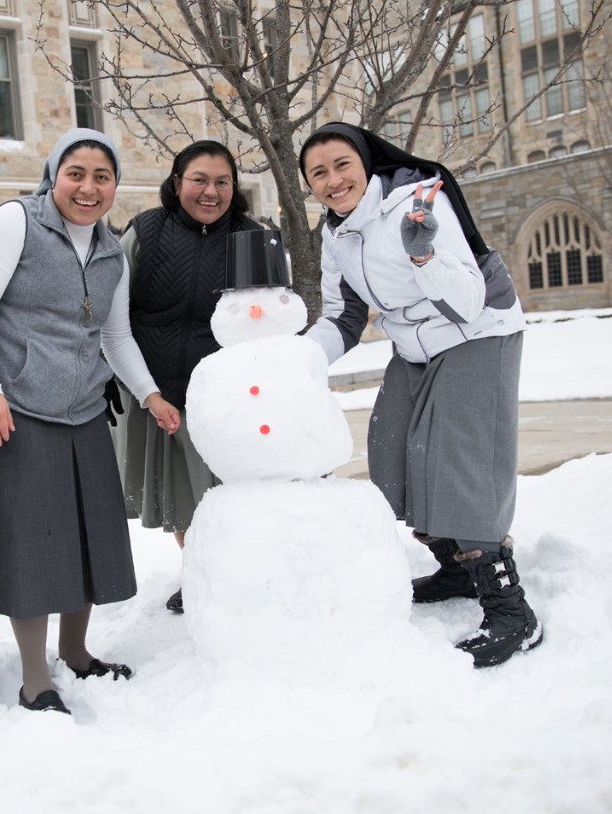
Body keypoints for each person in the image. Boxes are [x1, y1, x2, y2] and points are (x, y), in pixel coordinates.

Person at [297, 122, 543, 668]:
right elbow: (343, 315)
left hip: (478, 330)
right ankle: (456, 567)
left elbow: (469, 298)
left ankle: (511, 610)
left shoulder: (417, 201)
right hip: (414, 344)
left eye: (342, 165)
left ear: (364, 163)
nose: (333, 180)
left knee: (461, 460)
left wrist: (424, 255)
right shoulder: (334, 234)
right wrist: (296, 362)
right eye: (319, 173)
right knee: (392, 453)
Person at [0, 128, 181, 714]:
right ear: (54, 174)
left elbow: (115, 334)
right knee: (33, 546)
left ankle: (77, 652)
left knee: (85, 535)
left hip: (82, 411)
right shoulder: (15, 223)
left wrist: (150, 394)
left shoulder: (110, 250)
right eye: (75, 173)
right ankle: (36, 678)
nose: (88, 187)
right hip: (17, 409)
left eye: (101, 177)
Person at [113, 140, 263, 614]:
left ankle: (242, 576)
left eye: (222, 182)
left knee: (231, 493)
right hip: (159, 393)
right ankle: (203, 572)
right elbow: (114, 316)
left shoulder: (252, 237)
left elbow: (273, 318)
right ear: (178, 183)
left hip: (227, 396)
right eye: (199, 179)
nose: (210, 192)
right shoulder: (145, 233)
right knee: (183, 493)